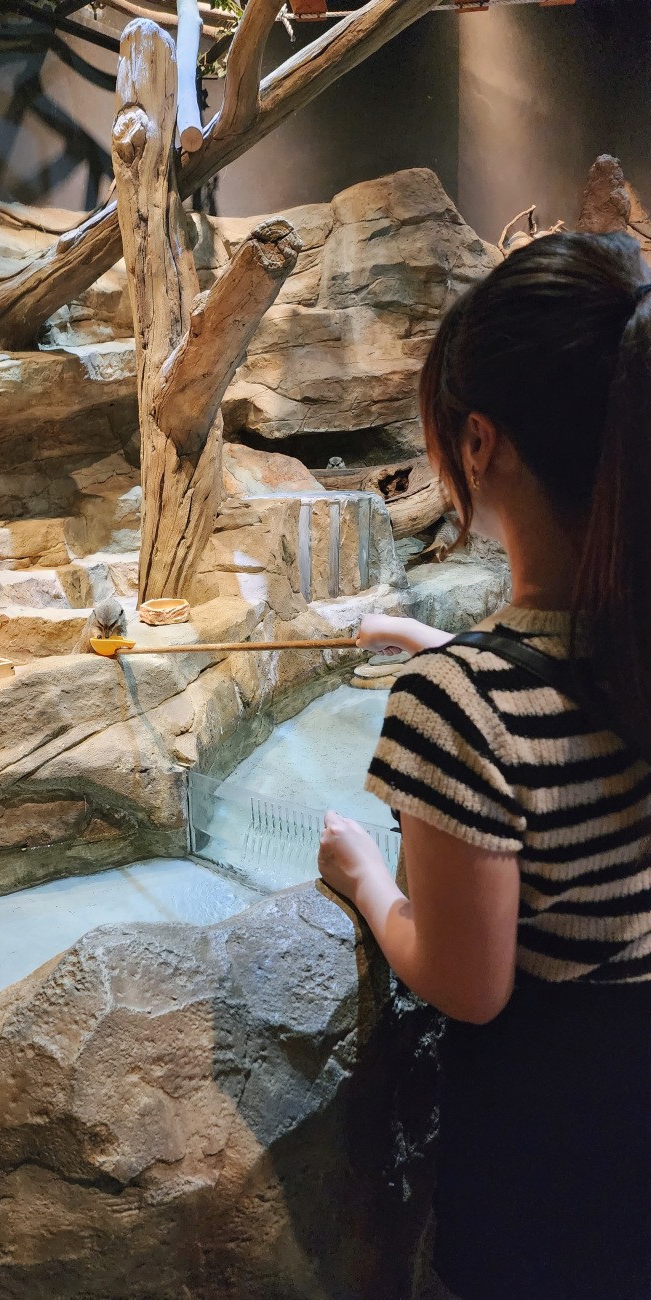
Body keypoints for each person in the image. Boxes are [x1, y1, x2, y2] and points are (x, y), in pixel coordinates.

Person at [316, 232, 651, 1300]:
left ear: (477, 440)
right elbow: (573, 680)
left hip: (555, 1172)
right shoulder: (618, 647)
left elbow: (470, 982)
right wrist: (457, 652)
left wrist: (367, 881)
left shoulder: (459, 709)